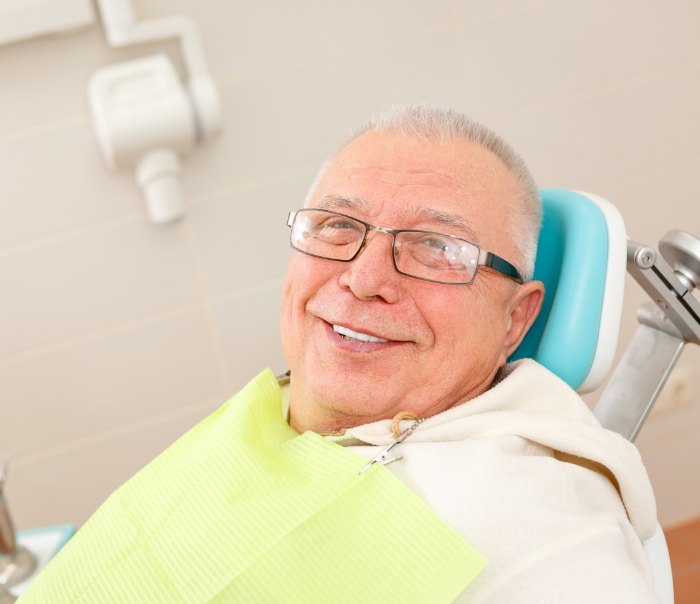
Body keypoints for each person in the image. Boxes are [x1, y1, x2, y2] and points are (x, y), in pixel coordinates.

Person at [19, 105, 659, 603]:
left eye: (437, 248)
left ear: (516, 317)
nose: (362, 278)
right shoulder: (279, 408)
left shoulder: (538, 532)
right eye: (337, 227)